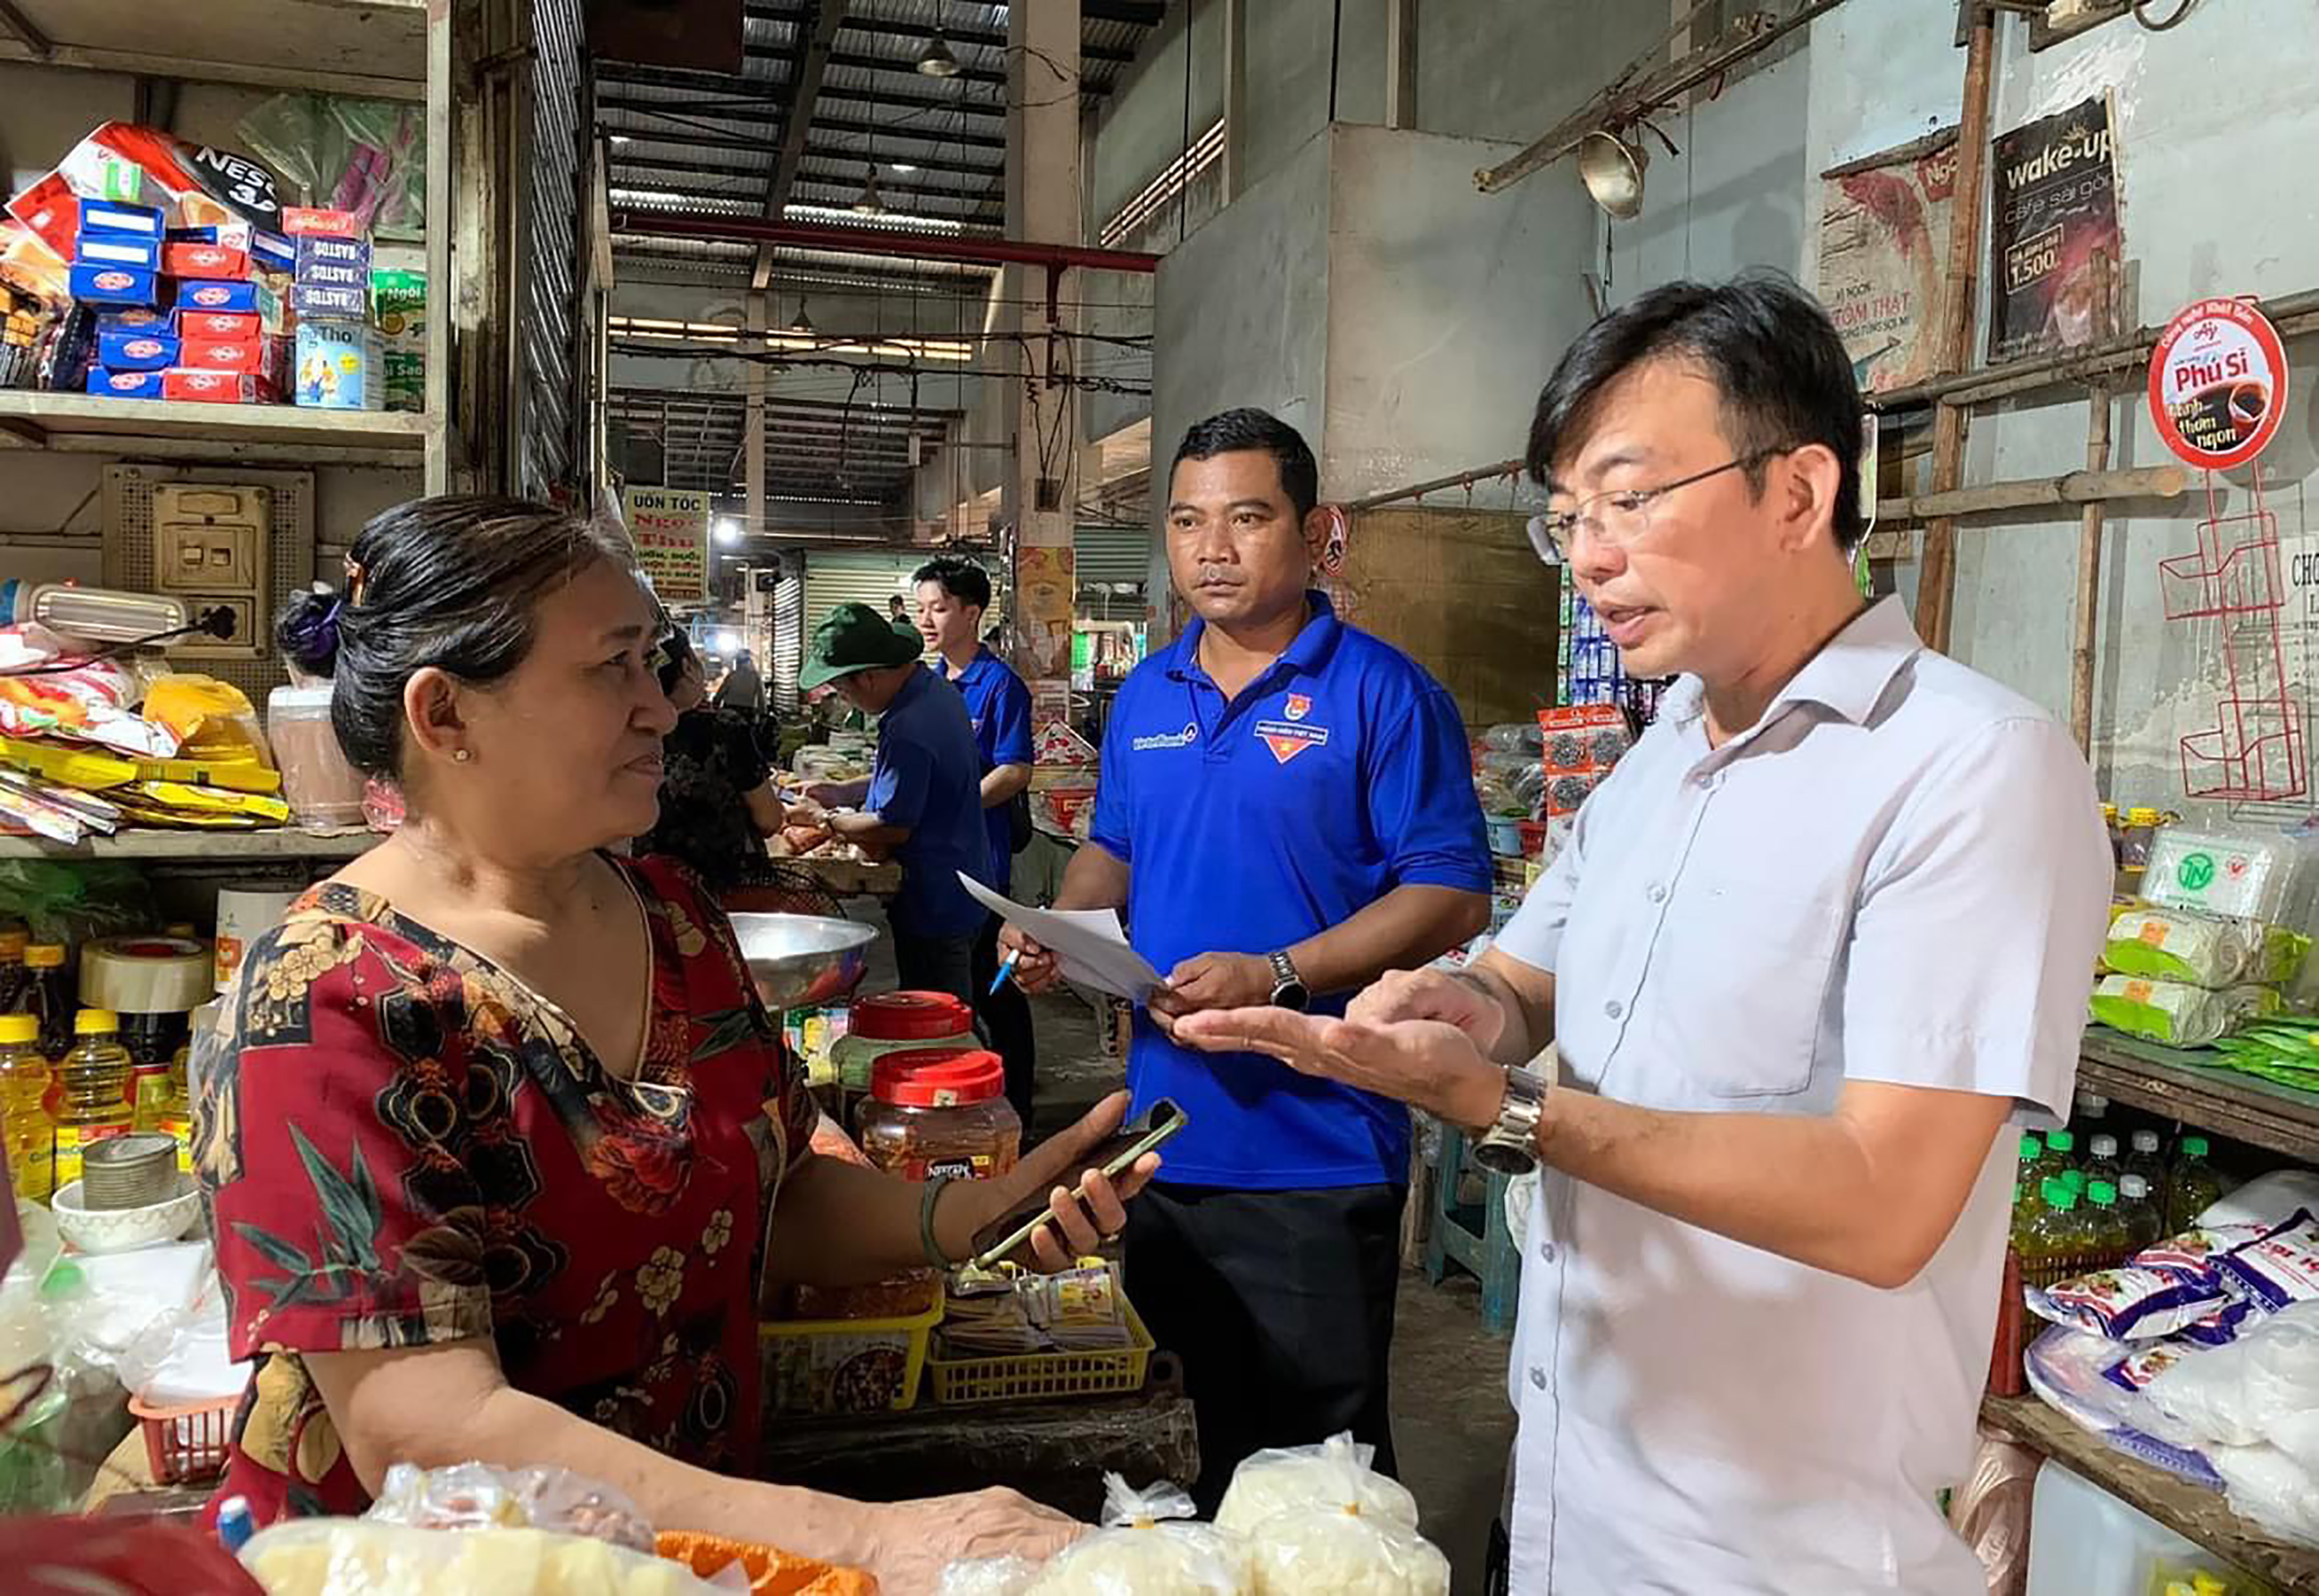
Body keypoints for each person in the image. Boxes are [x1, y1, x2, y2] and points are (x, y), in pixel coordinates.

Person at [1171, 277, 2113, 1592]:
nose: (1593, 552)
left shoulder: (1968, 768)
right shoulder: (1660, 753)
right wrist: (1450, 1009)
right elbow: (1519, 982)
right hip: (1566, 1488)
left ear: (1795, 492)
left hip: (1771, 1546)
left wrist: (1510, 1113)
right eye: (1568, 520)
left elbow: (1887, 1199)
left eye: (1629, 498)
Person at [193, 497, 1160, 1594]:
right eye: (612, 669)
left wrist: (959, 1216)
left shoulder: (672, 919)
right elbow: (424, 1429)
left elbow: (777, 1188)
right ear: (446, 713)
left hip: (690, 1553)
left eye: (651, 664)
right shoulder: (330, 998)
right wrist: (864, 1537)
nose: (660, 707)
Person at [1001, 408, 1492, 1508]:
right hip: (1160, 1145)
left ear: (1315, 532)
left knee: (1324, 1483)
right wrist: (1060, 931)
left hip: (1315, 1149)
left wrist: (1279, 969)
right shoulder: (1146, 698)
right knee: (1181, 1457)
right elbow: (1113, 851)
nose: (1209, 548)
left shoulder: (1381, 693)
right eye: (1185, 521)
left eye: (1245, 517)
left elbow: (1453, 890)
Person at [790, 603, 991, 1009]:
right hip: (963, 877)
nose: (845, 701)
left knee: (938, 1015)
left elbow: (893, 827)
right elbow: (913, 779)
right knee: (954, 1003)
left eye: (844, 691)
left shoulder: (910, 725)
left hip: (935, 894)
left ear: (869, 676)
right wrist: (843, 792)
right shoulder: (933, 692)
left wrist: (824, 820)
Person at [913, 555, 1039, 1124]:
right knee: (950, 991)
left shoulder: (999, 685)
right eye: (921, 609)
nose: (926, 619)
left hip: (983, 867)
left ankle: (1015, 1105)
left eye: (938, 608)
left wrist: (955, 807)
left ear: (972, 613)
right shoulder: (930, 683)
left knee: (995, 988)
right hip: (934, 863)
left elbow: (1015, 770)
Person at [637, 628, 789, 895]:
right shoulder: (723, 730)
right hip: (722, 890)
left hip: (645, 887)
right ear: (687, 666)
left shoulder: (624, 732)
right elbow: (768, 819)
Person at [712, 647, 763, 717]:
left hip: (730, 710)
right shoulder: (755, 677)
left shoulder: (732, 676)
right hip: (747, 712)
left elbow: (721, 692)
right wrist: (763, 714)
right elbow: (761, 698)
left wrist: (715, 705)